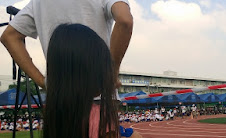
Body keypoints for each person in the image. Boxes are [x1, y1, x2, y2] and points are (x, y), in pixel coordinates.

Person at [1, 0, 133, 90]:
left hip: (60, 97)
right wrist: (111, 73)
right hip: (99, 93)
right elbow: (124, 20)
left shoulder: (38, 2)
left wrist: (42, 81)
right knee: (108, 132)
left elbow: (9, 36)